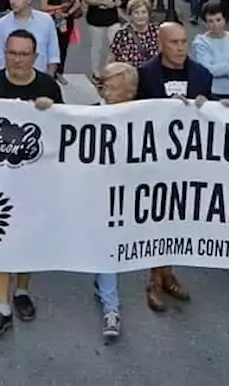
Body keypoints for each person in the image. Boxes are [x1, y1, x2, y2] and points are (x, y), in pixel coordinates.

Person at [0, 29, 62, 337]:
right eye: (12, 53)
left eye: (24, 54)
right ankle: (1, 306)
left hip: (35, 179)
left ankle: (22, 291)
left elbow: (63, 130)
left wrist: (54, 111)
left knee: (27, 237)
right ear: (4, 54)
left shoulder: (47, 85)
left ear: (35, 57)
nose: (18, 59)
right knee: (0, 237)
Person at [135, 22, 210, 311]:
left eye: (183, 42)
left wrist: (213, 107)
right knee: (155, 220)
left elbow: (218, 116)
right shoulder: (143, 74)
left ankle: (166, 272)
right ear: (160, 44)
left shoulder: (202, 76)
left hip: (186, 163)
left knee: (175, 220)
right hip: (152, 161)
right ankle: (155, 278)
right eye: (174, 42)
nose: (180, 48)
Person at [89, 61, 138, 341]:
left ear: (128, 91)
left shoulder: (143, 116)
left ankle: (111, 305)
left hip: (122, 196)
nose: (105, 87)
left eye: (112, 84)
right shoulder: (88, 115)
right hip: (91, 191)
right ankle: (108, 299)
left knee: (108, 248)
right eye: (105, 82)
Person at [0, 0, 60, 77]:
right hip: (12, 81)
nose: (12, 1)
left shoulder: (46, 21)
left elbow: (53, 54)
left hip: (40, 80)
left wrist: (49, 80)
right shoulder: (1, 25)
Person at [191, 3, 229, 100]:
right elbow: (208, 71)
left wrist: (226, 72)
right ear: (205, 23)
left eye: (218, 20)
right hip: (211, 91)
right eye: (210, 21)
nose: (215, 25)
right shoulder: (201, 42)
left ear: (225, 20)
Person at [80, 0, 123, 71]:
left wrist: (118, 0)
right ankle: (96, 71)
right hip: (96, 19)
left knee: (116, 44)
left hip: (112, 18)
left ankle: (112, 68)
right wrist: (102, 2)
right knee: (97, 47)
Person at [40, 0, 79, 84]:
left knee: (63, 47)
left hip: (66, 20)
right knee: (49, 46)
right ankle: (47, 71)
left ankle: (59, 72)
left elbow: (77, 3)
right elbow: (43, 6)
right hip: (51, 20)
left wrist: (67, 13)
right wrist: (59, 8)